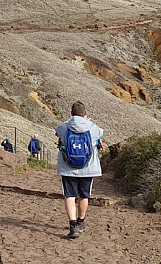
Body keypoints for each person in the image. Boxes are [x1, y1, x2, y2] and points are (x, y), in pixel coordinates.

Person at [55, 100, 104, 239]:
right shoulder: (93, 128)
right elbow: (101, 134)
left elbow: (57, 131)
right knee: (84, 195)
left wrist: (69, 120)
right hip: (88, 168)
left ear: (71, 113)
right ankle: (81, 222)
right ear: (85, 113)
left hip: (67, 168)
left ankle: (72, 225)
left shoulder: (64, 127)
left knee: (69, 195)